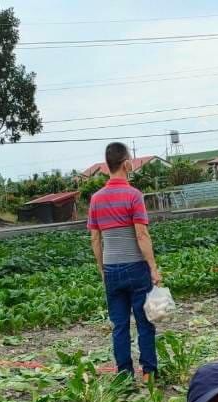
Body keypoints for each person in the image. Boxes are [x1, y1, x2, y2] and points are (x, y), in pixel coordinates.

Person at [86, 142, 162, 381]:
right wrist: (153, 267)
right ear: (126, 163)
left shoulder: (96, 199)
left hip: (111, 268)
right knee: (144, 322)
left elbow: (95, 239)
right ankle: (149, 373)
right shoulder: (133, 195)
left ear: (107, 165)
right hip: (136, 267)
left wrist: (102, 268)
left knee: (119, 326)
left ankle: (124, 377)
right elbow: (141, 235)